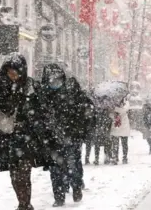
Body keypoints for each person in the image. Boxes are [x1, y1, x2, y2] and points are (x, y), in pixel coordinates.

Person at [0, 54, 51, 210]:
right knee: (14, 174)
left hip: (26, 137)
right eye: (9, 72)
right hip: (7, 136)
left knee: (23, 172)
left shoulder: (31, 87)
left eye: (15, 72)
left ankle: (25, 204)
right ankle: (22, 202)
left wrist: (42, 130)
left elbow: (42, 111)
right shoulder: (2, 88)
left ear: (22, 71)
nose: (12, 75)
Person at [39, 64, 93, 207]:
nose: (54, 83)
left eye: (57, 80)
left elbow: (86, 111)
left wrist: (79, 130)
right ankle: (59, 196)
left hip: (71, 137)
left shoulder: (72, 94)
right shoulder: (43, 95)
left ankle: (76, 187)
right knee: (55, 169)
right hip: (52, 139)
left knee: (72, 165)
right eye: (51, 80)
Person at [110, 98, 131, 164]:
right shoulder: (113, 103)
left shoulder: (126, 102)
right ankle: (117, 157)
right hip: (117, 126)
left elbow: (124, 110)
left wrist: (114, 108)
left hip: (122, 126)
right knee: (117, 144)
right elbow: (110, 115)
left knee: (122, 144)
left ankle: (123, 157)